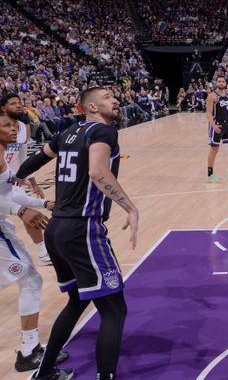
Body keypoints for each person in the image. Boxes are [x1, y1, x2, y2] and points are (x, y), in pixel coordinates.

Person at [16, 87, 140, 380]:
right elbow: (98, 172)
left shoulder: (68, 133)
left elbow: (29, 164)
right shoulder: (104, 132)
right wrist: (130, 207)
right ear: (92, 108)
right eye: (108, 97)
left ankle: (44, 373)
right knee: (114, 310)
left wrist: (20, 181)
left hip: (57, 228)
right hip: (82, 229)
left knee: (77, 301)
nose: (116, 99)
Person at [0, 112, 69, 373]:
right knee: (31, 280)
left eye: (14, 124)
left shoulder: (4, 153)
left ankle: (30, 349)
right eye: (6, 125)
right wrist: (19, 211)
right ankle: (28, 353)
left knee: (30, 280)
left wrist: (43, 203)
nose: (13, 128)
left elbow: (9, 191)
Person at [1, 93, 51, 265]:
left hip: (9, 180)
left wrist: (34, 183)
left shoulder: (23, 127)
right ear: (3, 108)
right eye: (13, 103)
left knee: (28, 210)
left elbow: (23, 158)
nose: (18, 105)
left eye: (19, 102)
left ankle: (43, 254)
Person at [206, 75, 228, 183]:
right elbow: (208, 112)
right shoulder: (212, 96)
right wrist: (213, 125)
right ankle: (209, 175)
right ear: (216, 83)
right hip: (217, 125)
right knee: (214, 149)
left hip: (227, 125)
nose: (221, 83)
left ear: (226, 83)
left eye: (223, 81)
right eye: (219, 81)